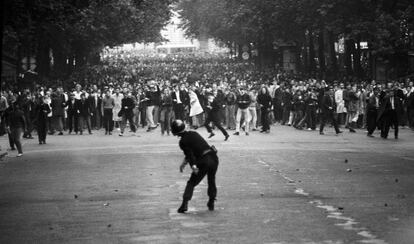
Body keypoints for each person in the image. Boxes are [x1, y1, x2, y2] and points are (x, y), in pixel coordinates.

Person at [171, 119, 219, 213]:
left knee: (191, 182)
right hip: (213, 158)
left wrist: (193, 166)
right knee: (211, 180)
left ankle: (184, 204)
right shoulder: (194, 133)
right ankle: (211, 201)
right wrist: (184, 163)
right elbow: (198, 147)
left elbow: (190, 155)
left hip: (203, 161)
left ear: (174, 132)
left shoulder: (182, 142)